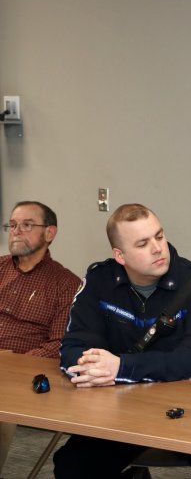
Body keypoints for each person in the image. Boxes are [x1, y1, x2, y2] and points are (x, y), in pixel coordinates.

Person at [53, 204, 191, 479]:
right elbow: (73, 346)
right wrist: (91, 367)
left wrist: (121, 367)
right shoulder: (99, 281)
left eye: (159, 236)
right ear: (120, 255)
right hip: (125, 411)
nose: (158, 248)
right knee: (74, 466)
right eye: (143, 244)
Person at [0, 201, 81, 475]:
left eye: (27, 225)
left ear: (49, 233)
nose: (16, 231)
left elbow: (59, 345)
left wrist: (9, 366)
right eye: (12, 225)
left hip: (17, 376)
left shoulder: (65, 284)